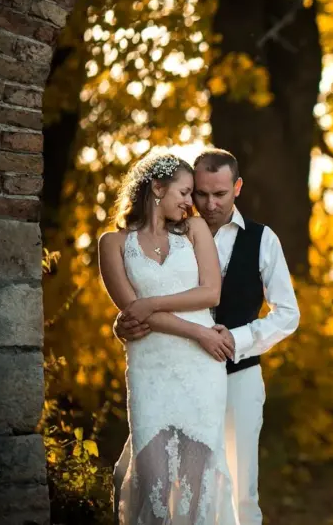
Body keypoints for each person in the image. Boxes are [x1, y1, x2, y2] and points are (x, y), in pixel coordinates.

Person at [115, 147, 300, 525]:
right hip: (175, 373)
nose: (209, 204)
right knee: (146, 478)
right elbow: (140, 292)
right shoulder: (172, 231)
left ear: (238, 188)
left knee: (239, 490)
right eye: (200, 194)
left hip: (239, 376)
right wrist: (121, 323)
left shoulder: (263, 240)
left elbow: (288, 313)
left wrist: (238, 339)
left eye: (220, 194)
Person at [100, 151, 237, 524]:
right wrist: (197, 331)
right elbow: (131, 309)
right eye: (185, 192)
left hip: (199, 369)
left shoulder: (193, 232)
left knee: (195, 489)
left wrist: (152, 304)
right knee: (154, 484)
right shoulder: (112, 243)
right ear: (157, 188)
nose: (190, 202)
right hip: (150, 368)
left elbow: (210, 293)